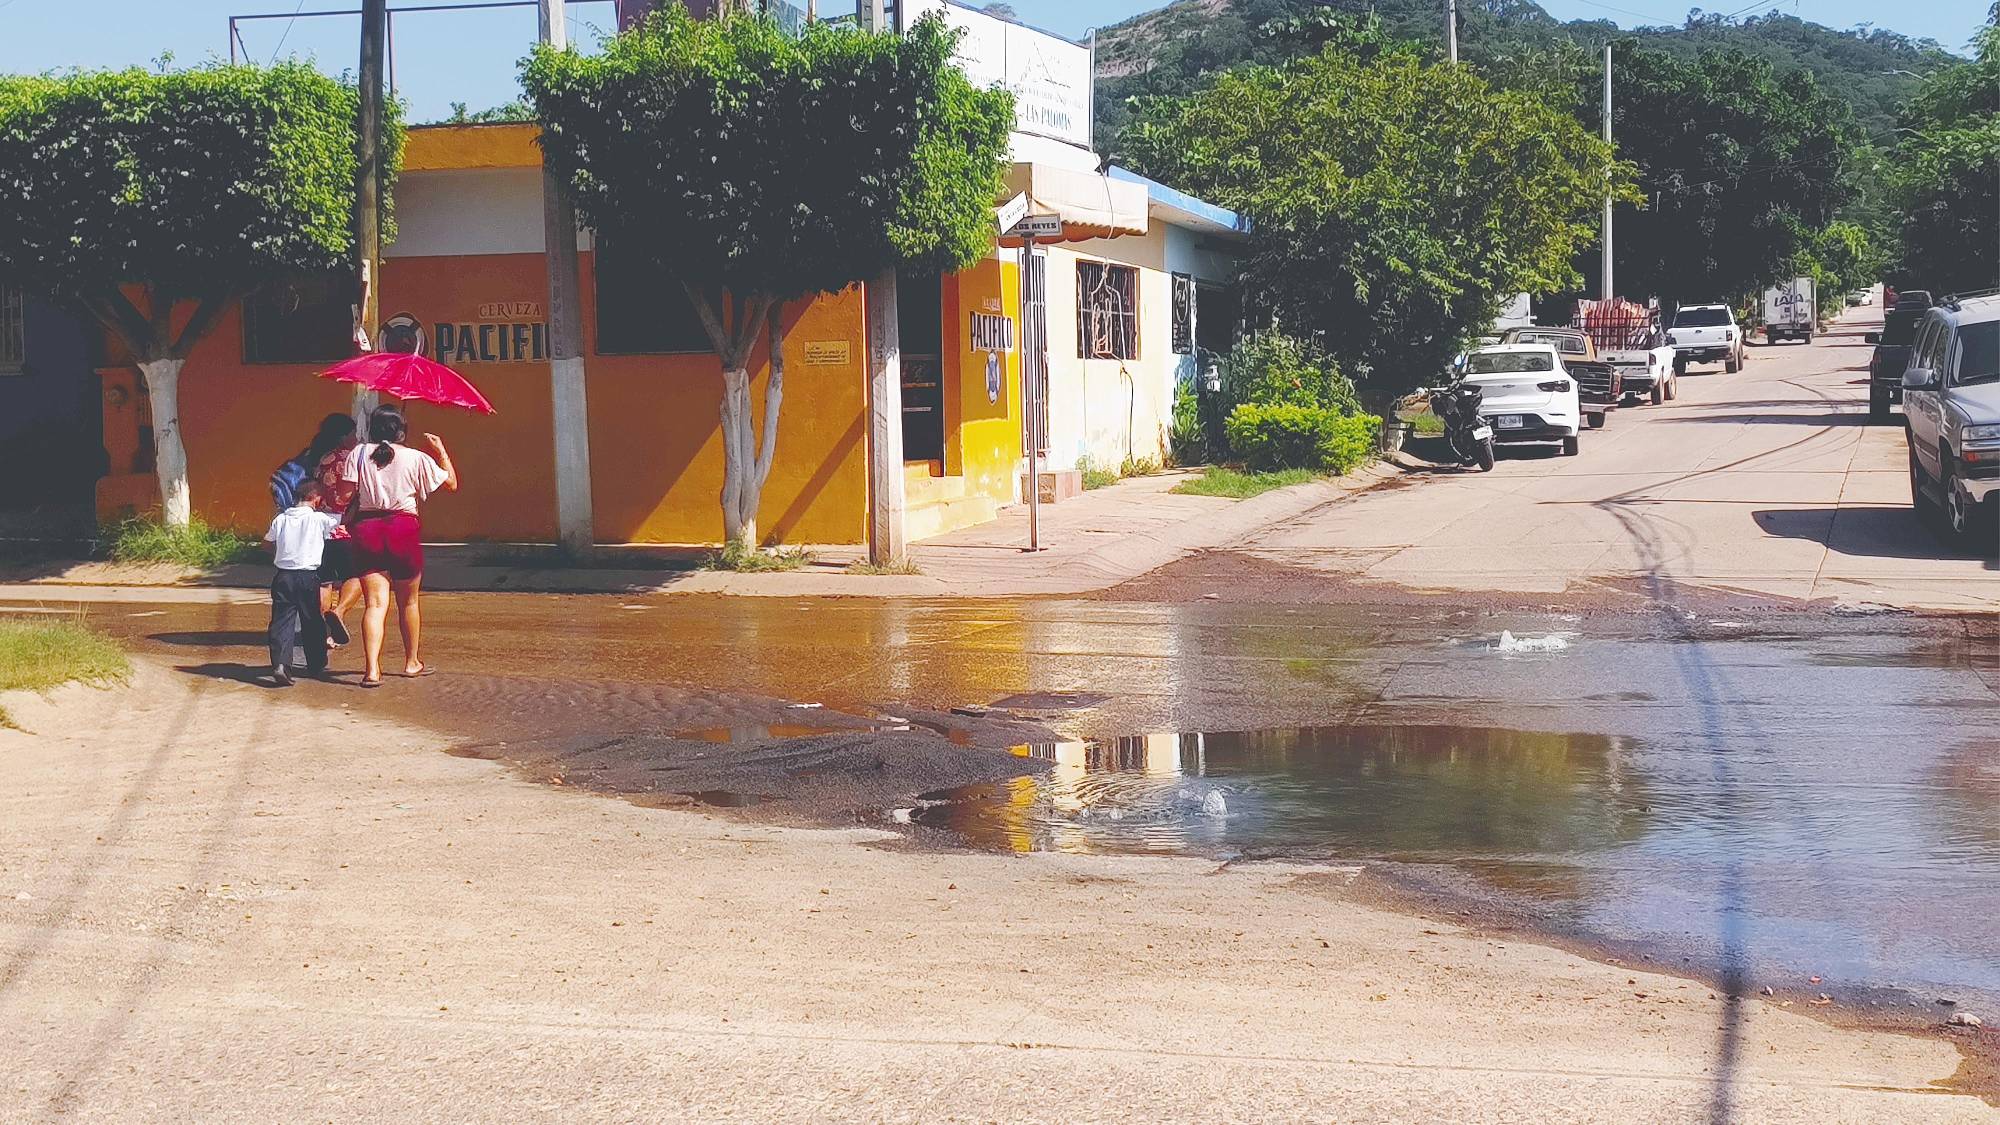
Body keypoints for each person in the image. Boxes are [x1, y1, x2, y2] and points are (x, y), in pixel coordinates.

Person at [344, 404, 458, 686]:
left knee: (375, 604)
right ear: (402, 431)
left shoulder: (358, 454)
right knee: (408, 601)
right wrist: (441, 451)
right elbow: (452, 484)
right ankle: (411, 662)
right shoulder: (416, 458)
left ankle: (371, 670)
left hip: (367, 529)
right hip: (402, 528)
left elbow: (346, 492)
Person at [264, 479, 341, 687]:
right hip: (308, 576)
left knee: (281, 622)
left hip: (283, 576)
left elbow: (267, 542)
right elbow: (341, 523)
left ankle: (280, 665)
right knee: (312, 620)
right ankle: (316, 664)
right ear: (314, 498)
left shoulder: (280, 519)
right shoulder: (319, 519)